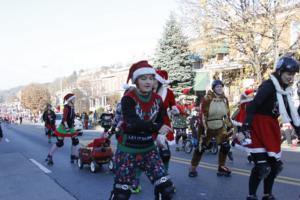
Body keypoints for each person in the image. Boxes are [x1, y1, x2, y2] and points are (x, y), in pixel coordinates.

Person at [109, 60, 175, 200]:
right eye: (143, 78)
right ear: (136, 80)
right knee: (121, 194)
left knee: (167, 189)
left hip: (148, 149)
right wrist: (156, 127)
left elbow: (161, 119)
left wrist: (160, 132)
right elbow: (133, 123)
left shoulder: (157, 99)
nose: (148, 82)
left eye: (151, 78)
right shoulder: (128, 98)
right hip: (128, 150)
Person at [242, 57, 300, 200]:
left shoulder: (285, 90)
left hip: (271, 127)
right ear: (280, 72)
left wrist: (298, 130)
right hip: (257, 126)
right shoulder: (268, 85)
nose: (291, 77)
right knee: (262, 167)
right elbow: (253, 105)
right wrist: (246, 126)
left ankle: (267, 194)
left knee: (274, 166)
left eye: (293, 74)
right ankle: (251, 196)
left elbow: (289, 112)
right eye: (288, 74)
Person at [188, 79, 233, 177]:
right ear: (213, 88)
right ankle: (193, 168)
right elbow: (203, 114)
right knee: (201, 148)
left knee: (225, 146)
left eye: (221, 86)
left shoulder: (224, 99)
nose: (220, 88)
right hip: (207, 125)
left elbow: (227, 114)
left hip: (220, 125)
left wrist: (230, 126)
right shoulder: (207, 98)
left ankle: (221, 167)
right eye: (217, 87)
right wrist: (203, 130)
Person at [45, 93, 79, 165]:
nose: (75, 100)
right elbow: (64, 119)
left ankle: (74, 156)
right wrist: (67, 129)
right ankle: (49, 156)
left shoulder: (72, 107)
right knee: (60, 143)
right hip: (64, 127)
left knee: (75, 141)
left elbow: (71, 118)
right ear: (70, 100)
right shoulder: (66, 108)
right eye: (73, 99)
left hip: (70, 126)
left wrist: (73, 124)